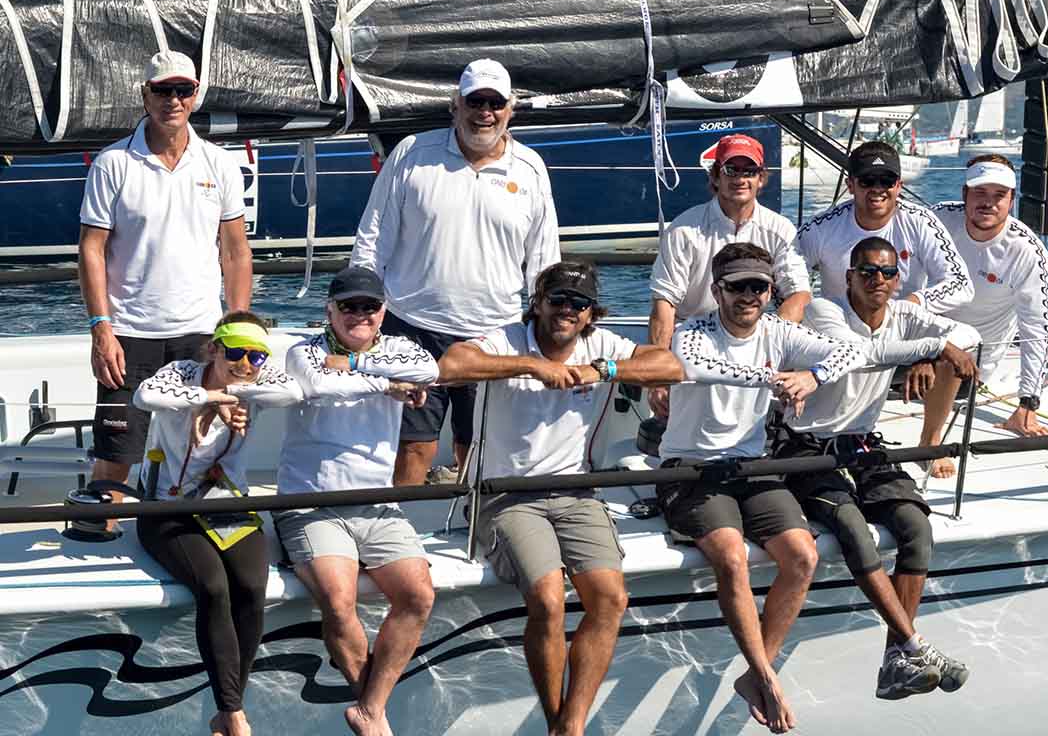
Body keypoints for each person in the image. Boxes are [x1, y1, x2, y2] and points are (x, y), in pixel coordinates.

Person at [438, 261, 682, 736]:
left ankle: (572, 723)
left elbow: (670, 366)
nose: (568, 311)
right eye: (558, 301)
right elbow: (453, 364)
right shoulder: (507, 338)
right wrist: (533, 366)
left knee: (611, 598)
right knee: (549, 600)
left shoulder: (601, 344)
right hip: (506, 495)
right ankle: (556, 722)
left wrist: (603, 369)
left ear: (591, 313)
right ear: (538, 303)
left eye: (579, 304)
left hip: (578, 492)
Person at [656, 243, 865, 734]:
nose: (749, 296)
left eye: (759, 287)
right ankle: (770, 679)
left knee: (803, 555)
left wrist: (813, 376)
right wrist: (776, 379)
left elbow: (853, 348)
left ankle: (755, 674)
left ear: (771, 292)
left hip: (751, 467)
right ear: (717, 290)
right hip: (690, 468)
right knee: (731, 555)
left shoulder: (777, 328)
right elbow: (700, 367)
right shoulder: (692, 332)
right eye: (737, 287)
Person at [778, 236, 978, 701]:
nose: (878, 281)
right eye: (867, 272)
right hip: (807, 445)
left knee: (915, 525)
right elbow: (859, 354)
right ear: (848, 277)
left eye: (888, 273)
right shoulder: (824, 313)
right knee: (852, 526)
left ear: (897, 279)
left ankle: (897, 660)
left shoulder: (905, 316)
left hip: (863, 444)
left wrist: (936, 349)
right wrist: (933, 348)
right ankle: (913, 645)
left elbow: (967, 337)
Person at [351, 58, 560, 486]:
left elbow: (544, 259)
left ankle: (469, 523)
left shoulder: (531, 168)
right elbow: (373, 238)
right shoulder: (411, 154)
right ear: (455, 104)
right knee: (413, 445)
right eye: (475, 101)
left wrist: (548, 332)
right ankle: (397, 532)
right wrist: (359, 312)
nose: (485, 111)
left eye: (495, 102)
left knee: (479, 443)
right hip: (412, 328)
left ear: (511, 108)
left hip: (495, 333)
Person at [80, 49, 252, 515]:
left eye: (183, 90)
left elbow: (235, 252)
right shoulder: (113, 164)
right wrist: (102, 329)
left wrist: (238, 332)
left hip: (200, 334)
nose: (172, 100)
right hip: (128, 335)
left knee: (203, 448)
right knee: (115, 458)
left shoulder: (219, 164)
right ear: (145, 95)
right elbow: (91, 249)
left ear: (196, 97)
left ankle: (190, 542)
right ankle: (103, 545)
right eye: (162, 90)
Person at [274, 267, 440, 736]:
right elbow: (320, 384)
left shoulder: (401, 348)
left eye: (369, 306)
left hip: (375, 504)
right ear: (329, 310)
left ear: (384, 311)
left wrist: (358, 368)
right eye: (349, 306)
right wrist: (388, 384)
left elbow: (430, 370)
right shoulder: (304, 351)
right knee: (339, 598)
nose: (360, 315)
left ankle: (370, 708)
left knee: (419, 595)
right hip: (311, 504)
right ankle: (374, 715)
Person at [133, 311, 302, 736]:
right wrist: (211, 400)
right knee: (213, 587)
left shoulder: (255, 381)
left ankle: (229, 710)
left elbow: (295, 392)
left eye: (257, 356)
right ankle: (233, 713)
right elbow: (144, 396)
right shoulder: (182, 372)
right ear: (213, 348)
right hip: (164, 506)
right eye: (236, 353)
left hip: (224, 501)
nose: (246, 364)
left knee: (251, 586)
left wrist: (237, 393)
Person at [795, 140, 974, 472]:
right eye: (867, 181)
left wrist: (912, 312)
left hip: (906, 336)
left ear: (899, 185)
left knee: (955, 348)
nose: (877, 189)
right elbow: (788, 284)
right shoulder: (821, 228)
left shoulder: (921, 221)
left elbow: (962, 284)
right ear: (850, 185)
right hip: (843, 342)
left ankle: (929, 443)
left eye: (886, 181)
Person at [647, 133, 811, 417]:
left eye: (749, 171)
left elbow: (799, 296)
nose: (740, 178)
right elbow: (664, 304)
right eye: (731, 170)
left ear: (761, 178)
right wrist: (658, 376)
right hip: (692, 341)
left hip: (754, 339)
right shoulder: (683, 230)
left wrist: (771, 345)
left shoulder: (781, 229)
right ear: (715, 176)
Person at [928, 154, 1048, 472]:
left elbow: (1035, 330)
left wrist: (1027, 403)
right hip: (917, 345)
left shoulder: (1027, 252)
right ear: (964, 195)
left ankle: (930, 442)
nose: (989, 203)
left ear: (1012, 200)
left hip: (967, 366)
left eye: (999, 195)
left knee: (955, 347)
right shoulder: (937, 219)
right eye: (980, 193)